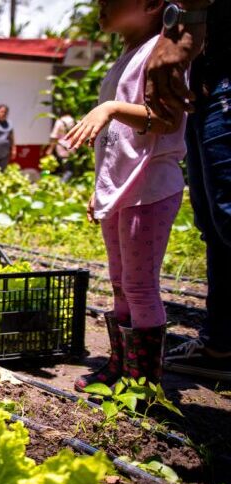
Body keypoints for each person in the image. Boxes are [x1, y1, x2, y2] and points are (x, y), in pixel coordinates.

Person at [66, 0, 186, 391]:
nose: (101, 6)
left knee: (139, 285)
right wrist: (101, 186)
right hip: (121, 189)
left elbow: (168, 120)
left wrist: (111, 108)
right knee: (119, 282)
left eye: (109, 1)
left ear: (152, 4)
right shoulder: (126, 55)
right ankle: (121, 367)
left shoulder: (162, 52)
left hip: (148, 186)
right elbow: (117, 146)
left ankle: (143, 384)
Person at [145, 0, 231, 381]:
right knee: (215, 222)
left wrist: (187, 22)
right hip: (208, 78)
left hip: (224, 68)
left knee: (228, 215)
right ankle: (220, 345)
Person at [44, 111, 76, 182]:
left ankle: (61, 183)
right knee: (69, 168)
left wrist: (50, 149)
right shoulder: (73, 120)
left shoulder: (59, 121)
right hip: (72, 147)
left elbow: (54, 136)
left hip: (61, 148)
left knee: (65, 170)